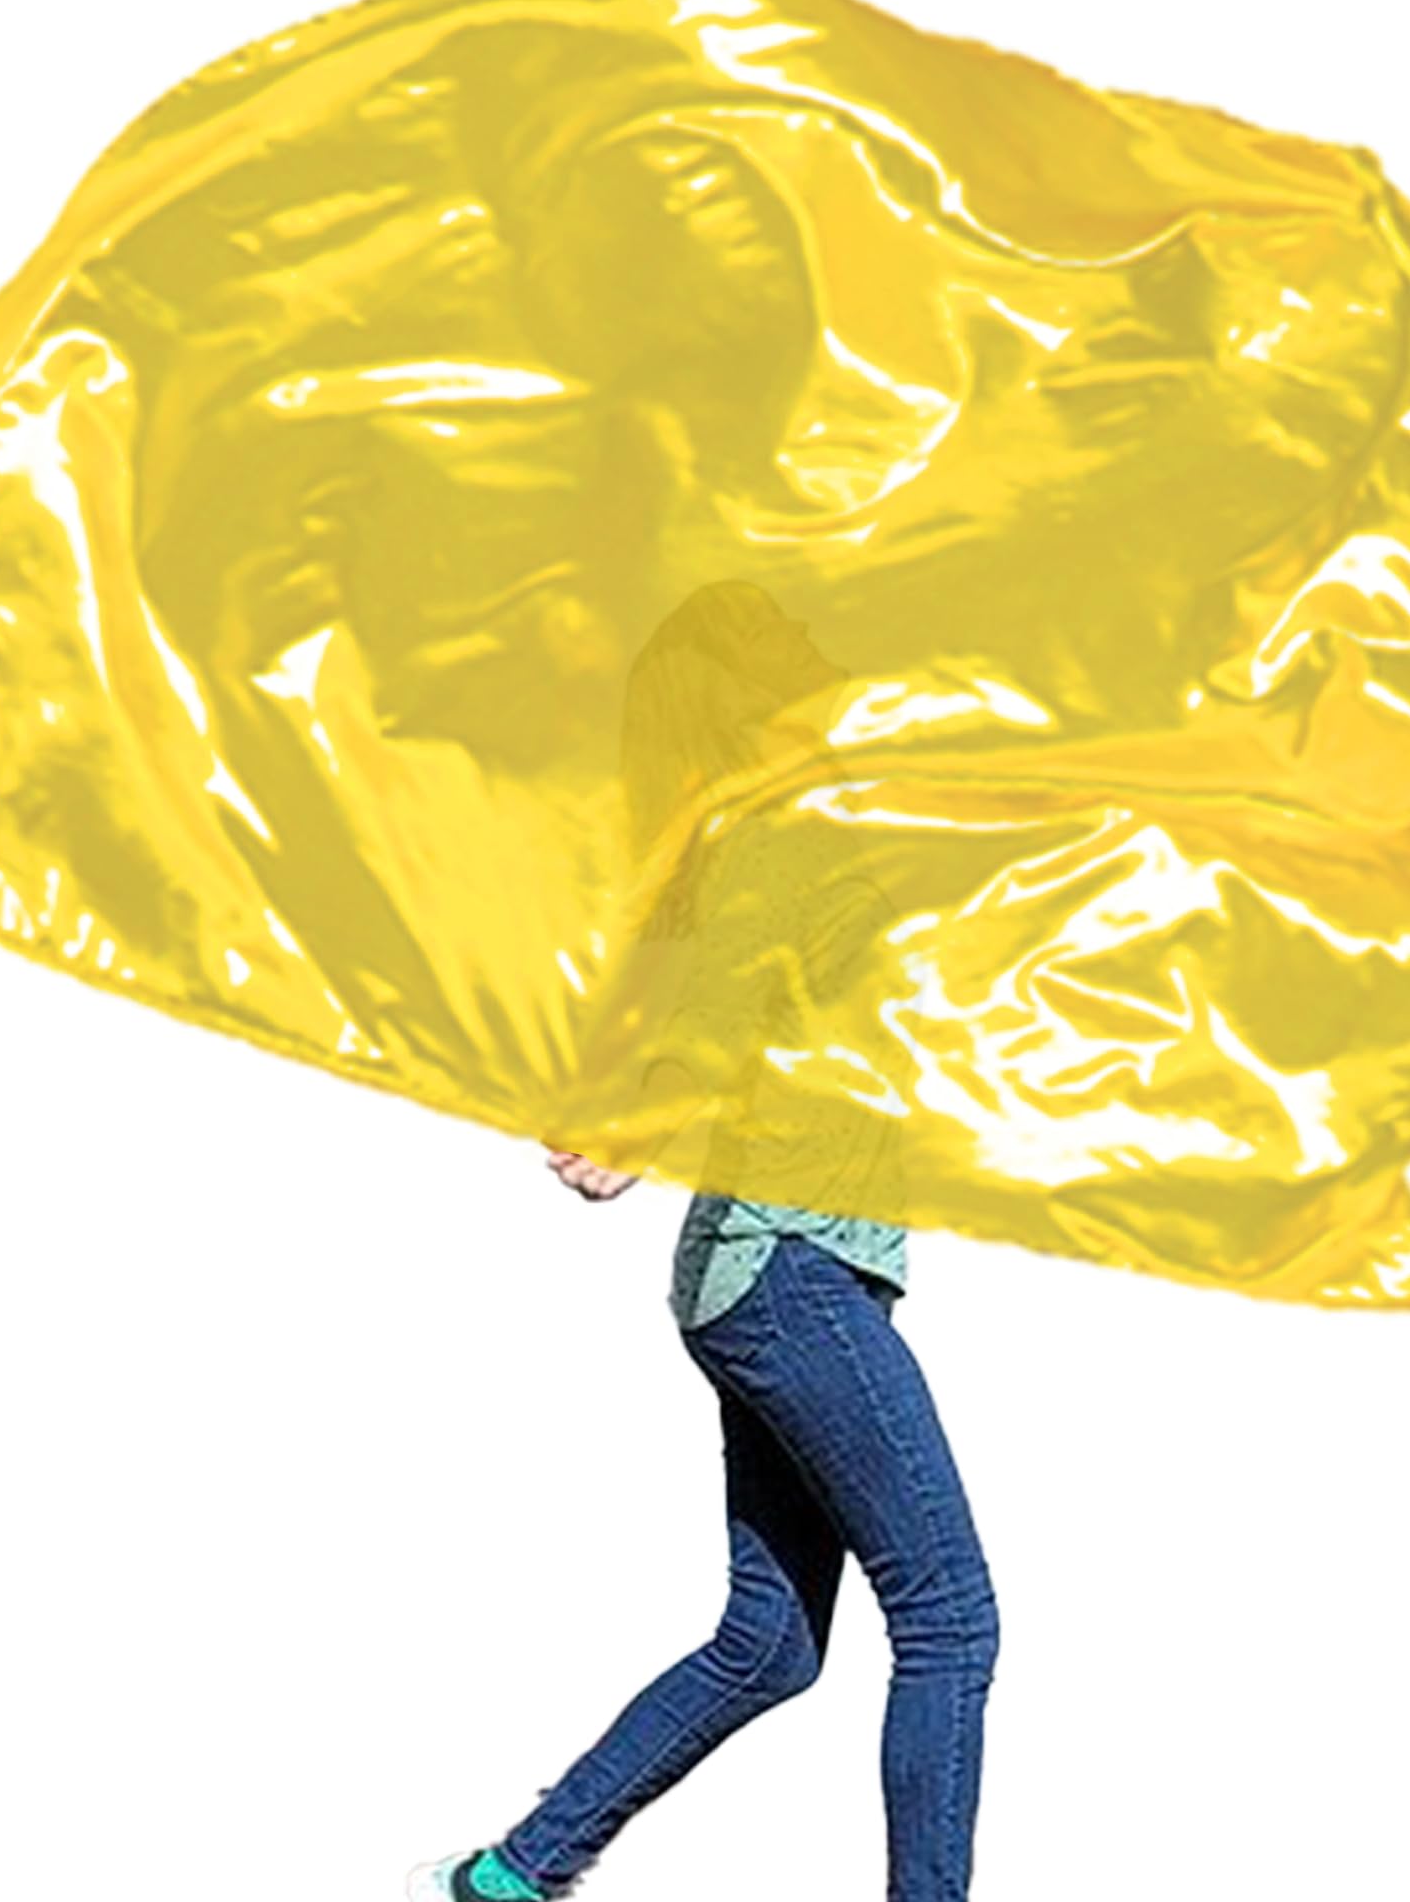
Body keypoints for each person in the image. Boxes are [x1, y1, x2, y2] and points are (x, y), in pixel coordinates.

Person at [407, 585, 1002, 1900]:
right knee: (951, 1621)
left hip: (777, 1277)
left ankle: (513, 1876)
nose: (824, 674)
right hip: (789, 1269)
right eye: (796, 662)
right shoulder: (776, 836)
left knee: (770, 1642)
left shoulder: (769, 834)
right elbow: (719, 1016)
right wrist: (643, 1126)